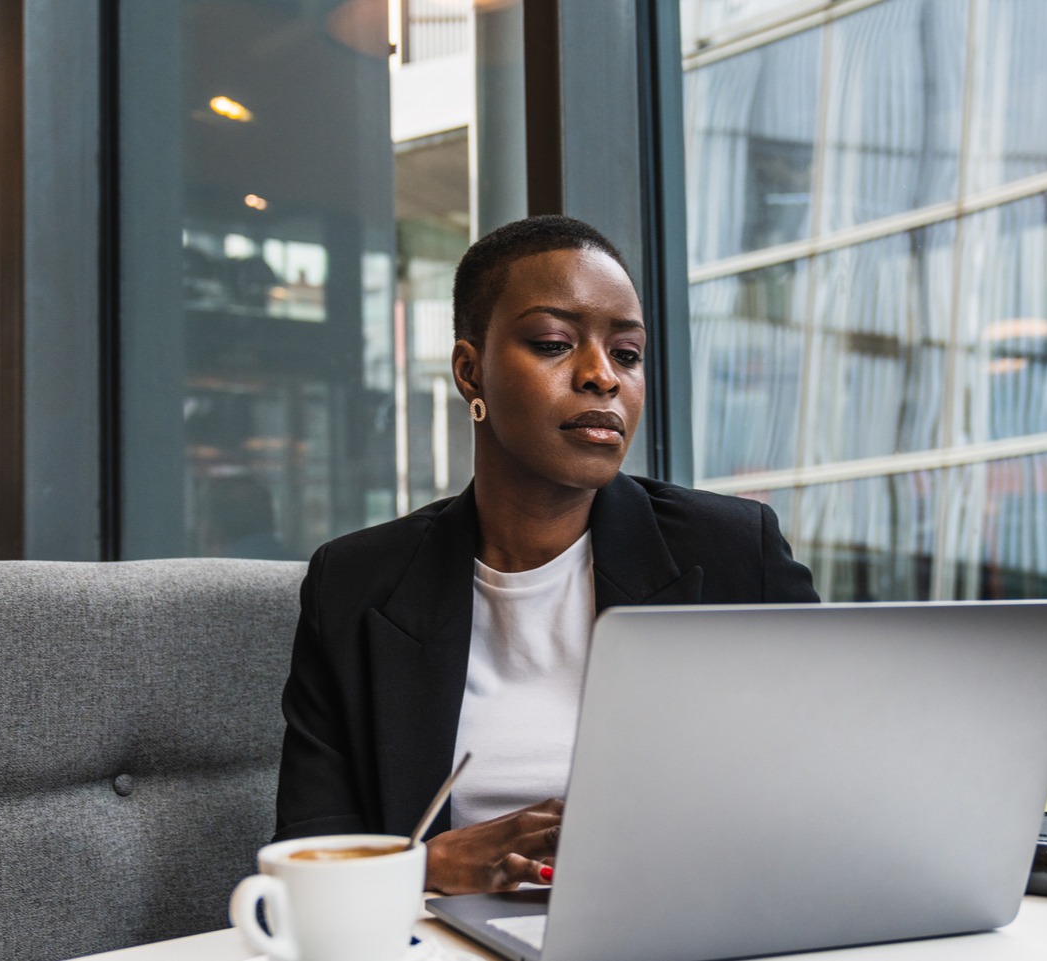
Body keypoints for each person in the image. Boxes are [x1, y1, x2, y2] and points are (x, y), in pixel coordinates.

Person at [272, 216, 818, 895]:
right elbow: (305, 857)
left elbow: (828, 787)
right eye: (554, 343)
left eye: (626, 354)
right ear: (470, 371)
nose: (600, 377)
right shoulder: (355, 584)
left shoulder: (733, 552)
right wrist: (431, 867)